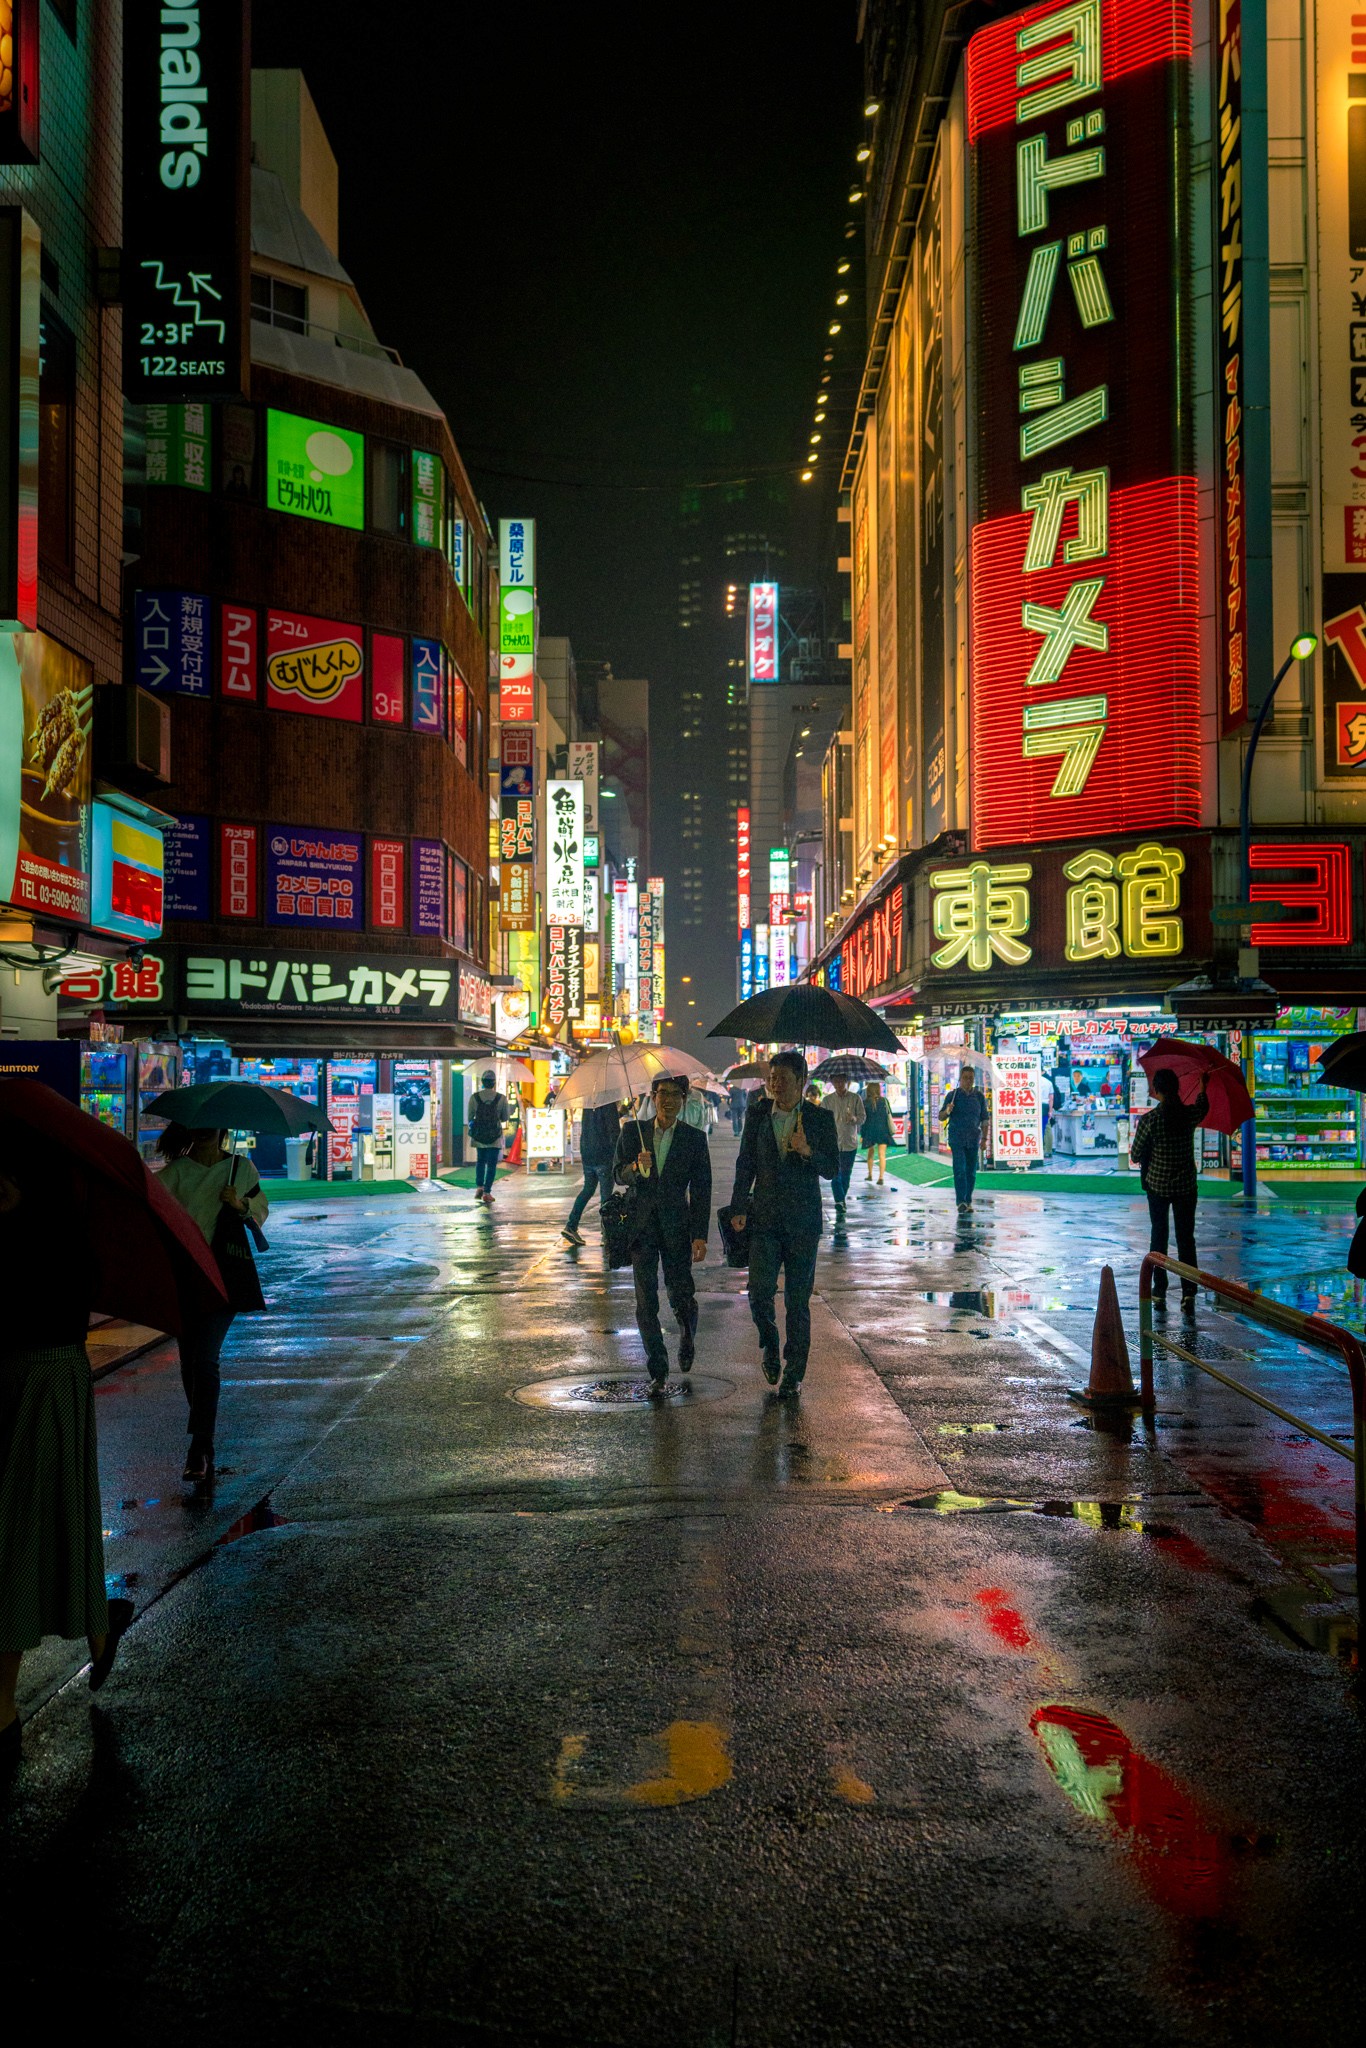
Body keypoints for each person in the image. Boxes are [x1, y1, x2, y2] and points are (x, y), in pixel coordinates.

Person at [1, 1124, 134, 1771]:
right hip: (44, 1382)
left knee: (20, 1528)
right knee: (47, 1518)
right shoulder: (56, 1232)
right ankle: (99, 1621)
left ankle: (2, 1711)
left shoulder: (42, 1241)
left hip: (39, 1382)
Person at [156, 1124, 268, 1480]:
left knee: (204, 1360)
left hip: (224, 1275)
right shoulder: (174, 1174)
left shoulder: (241, 1168)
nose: (204, 1132)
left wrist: (240, 1204)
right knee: (189, 1362)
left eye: (211, 1127)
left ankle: (200, 1447)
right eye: (198, 1127)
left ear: (222, 1130)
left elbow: (260, 1212)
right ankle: (203, 1442)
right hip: (183, 1277)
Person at [729, 1050, 840, 1396]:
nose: (775, 1084)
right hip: (764, 1219)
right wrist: (737, 1206)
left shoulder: (819, 1119)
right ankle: (769, 1342)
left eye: (783, 1078)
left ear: (801, 1082)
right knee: (759, 1291)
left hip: (803, 1223)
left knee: (797, 1300)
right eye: (771, 1078)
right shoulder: (759, 1112)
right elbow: (745, 1161)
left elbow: (832, 1168)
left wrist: (807, 1151)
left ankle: (794, 1370)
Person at [613, 1075, 711, 1387]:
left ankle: (687, 1335)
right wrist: (635, 1169)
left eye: (675, 1095)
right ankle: (657, 1366)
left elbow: (702, 1189)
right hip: (641, 1228)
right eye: (662, 1094)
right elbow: (618, 1173)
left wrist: (700, 1234)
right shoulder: (633, 1132)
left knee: (681, 1292)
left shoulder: (694, 1138)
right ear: (653, 1097)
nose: (668, 1100)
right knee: (645, 1302)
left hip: (677, 1226)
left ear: (685, 1098)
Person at [1130, 1068, 1208, 1311]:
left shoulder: (1150, 1120)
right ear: (1176, 1088)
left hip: (1158, 1186)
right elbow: (1202, 1107)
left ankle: (1159, 1290)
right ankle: (1189, 1292)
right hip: (1186, 1185)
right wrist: (1203, 1086)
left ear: (1156, 1090)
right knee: (1186, 1239)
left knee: (1159, 1237)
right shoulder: (1188, 1115)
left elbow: (1134, 1155)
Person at [562, 1099, 623, 1246]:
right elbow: (613, 1131)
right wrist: (620, 1153)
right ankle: (607, 1234)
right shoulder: (608, 1104)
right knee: (606, 1196)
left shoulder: (589, 1104)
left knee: (588, 1189)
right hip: (604, 1155)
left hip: (588, 1153)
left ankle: (571, 1225)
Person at [940, 1065, 988, 1214]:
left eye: (971, 1078)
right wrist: (948, 1110)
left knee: (971, 1172)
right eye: (965, 1078)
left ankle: (968, 1200)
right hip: (957, 1138)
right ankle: (961, 1201)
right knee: (959, 1169)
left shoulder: (979, 1097)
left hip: (973, 1138)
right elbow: (941, 1117)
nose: (968, 1081)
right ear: (960, 1079)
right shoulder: (953, 1096)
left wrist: (984, 1139)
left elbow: (985, 1119)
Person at [827, 1075, 866, 1225]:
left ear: (847, 1082)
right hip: (833, 1143)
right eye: (836, 1081)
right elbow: (822, 1119)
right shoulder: (828, 1100)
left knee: (846, 1175)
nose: (839, 1084)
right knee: (835, 1174)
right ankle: (839, 1201)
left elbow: (863, 1117)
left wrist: (854, 1119)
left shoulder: (855, 1098)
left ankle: (841, 1199)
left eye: (841, 1081)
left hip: (850, 1143)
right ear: (832, 1083)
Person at [468, 1070, 509, 1204]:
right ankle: (487, 1192)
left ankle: (479, 1186)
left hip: (479, 1135)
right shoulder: (501, 1098)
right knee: (491, 1164)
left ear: (482, 1082)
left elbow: (470, 1117)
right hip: (494, 1136)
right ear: (494, 1083)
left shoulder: (474, 1097)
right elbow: (505, 1118)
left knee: (480, 1161)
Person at [862, 1079, 893, 1184]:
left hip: (870, 1130)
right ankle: (881, 1177)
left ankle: (870, 1174)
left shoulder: (865, 1102)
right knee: (882, 1155)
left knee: (870, 1153)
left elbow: (864, 1120)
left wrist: (862, 1134)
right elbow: (889, 1114)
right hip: (883, 1130)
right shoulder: (884, 1101)